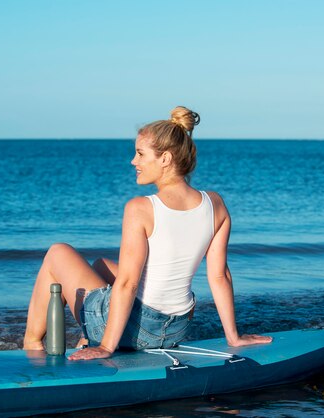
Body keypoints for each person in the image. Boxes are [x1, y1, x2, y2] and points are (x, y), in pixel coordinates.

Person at [23, 106, 272, 360]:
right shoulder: (215, 204)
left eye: (141, 154)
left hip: (135, 331)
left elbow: (129, 284)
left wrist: (106, 347)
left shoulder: (141, 208)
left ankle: (32, 345)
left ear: (165, 159)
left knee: (57, 252)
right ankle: (89, 337)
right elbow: (219, 276)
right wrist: (234, 336)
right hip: (176, 329)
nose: (134, 161)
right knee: (101, 266)